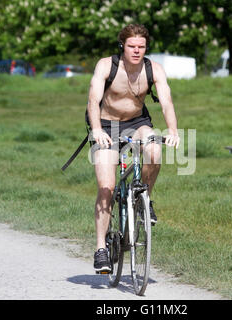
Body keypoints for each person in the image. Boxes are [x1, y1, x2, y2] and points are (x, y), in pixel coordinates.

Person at [87, 24, 180, 273]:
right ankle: (100, 248)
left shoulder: (153, 69)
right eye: (132, 46)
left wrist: (172, 130)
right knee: (106, 188)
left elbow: (167, 102)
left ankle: (144, 196)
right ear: (122, 46)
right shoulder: (107, 66)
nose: (137, 51)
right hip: (107, 126)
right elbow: (93, 101)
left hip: (137, 123)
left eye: (141, 47)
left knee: (154, 149)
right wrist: (96, 130)